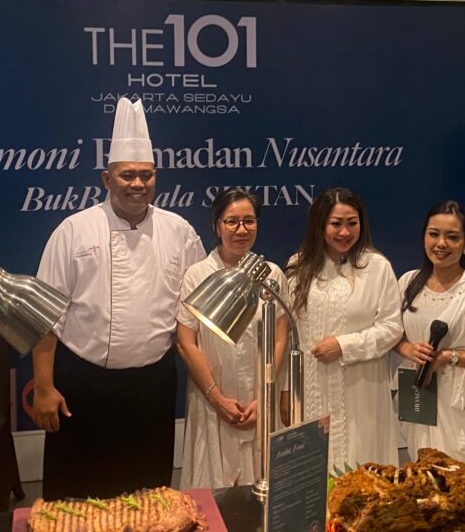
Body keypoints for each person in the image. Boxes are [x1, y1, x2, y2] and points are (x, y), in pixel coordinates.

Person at [32, 98, 205, 499]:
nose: (137, 184)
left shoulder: (179, 231)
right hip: (83, 385)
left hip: (152, 386)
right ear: (106, 179)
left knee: (148, 497)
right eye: (127, 175)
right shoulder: (73, 230)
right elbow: (43, 316)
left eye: (146, 174)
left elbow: (195, 309)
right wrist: (43, 387)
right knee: (78, 498)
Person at [176, 188, 289, 489]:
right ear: (217, 226)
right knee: (213, 490)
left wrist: (263, 397)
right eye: (232, 222)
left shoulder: (271, 275)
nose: (241, 230)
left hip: (258, 401)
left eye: (249, 221)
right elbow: (186, 343)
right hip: (212, 400)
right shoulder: (197, 275)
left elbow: (280, 340)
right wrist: (217, 398)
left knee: (263, 489)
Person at [285, 187, 403, 471]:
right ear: (320, 225)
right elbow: (289, 334)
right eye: (336, 223)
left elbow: (391, 328)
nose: (345, 232)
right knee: (312, 473)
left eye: (352, 223)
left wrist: (343, 345)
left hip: (360, 392)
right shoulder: (299, 266)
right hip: (311, 391)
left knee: (362, 470)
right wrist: (287, 390)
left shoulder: (377, 267)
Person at [394, 200, 465, 464]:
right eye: (434, 234)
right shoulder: (407, 283)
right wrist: (409, 349)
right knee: (420, 473)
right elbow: (391, 334)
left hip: (459, 406)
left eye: (452, 237)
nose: (441, 243)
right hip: (418, 397)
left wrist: (446, 357)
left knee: (459, 477)